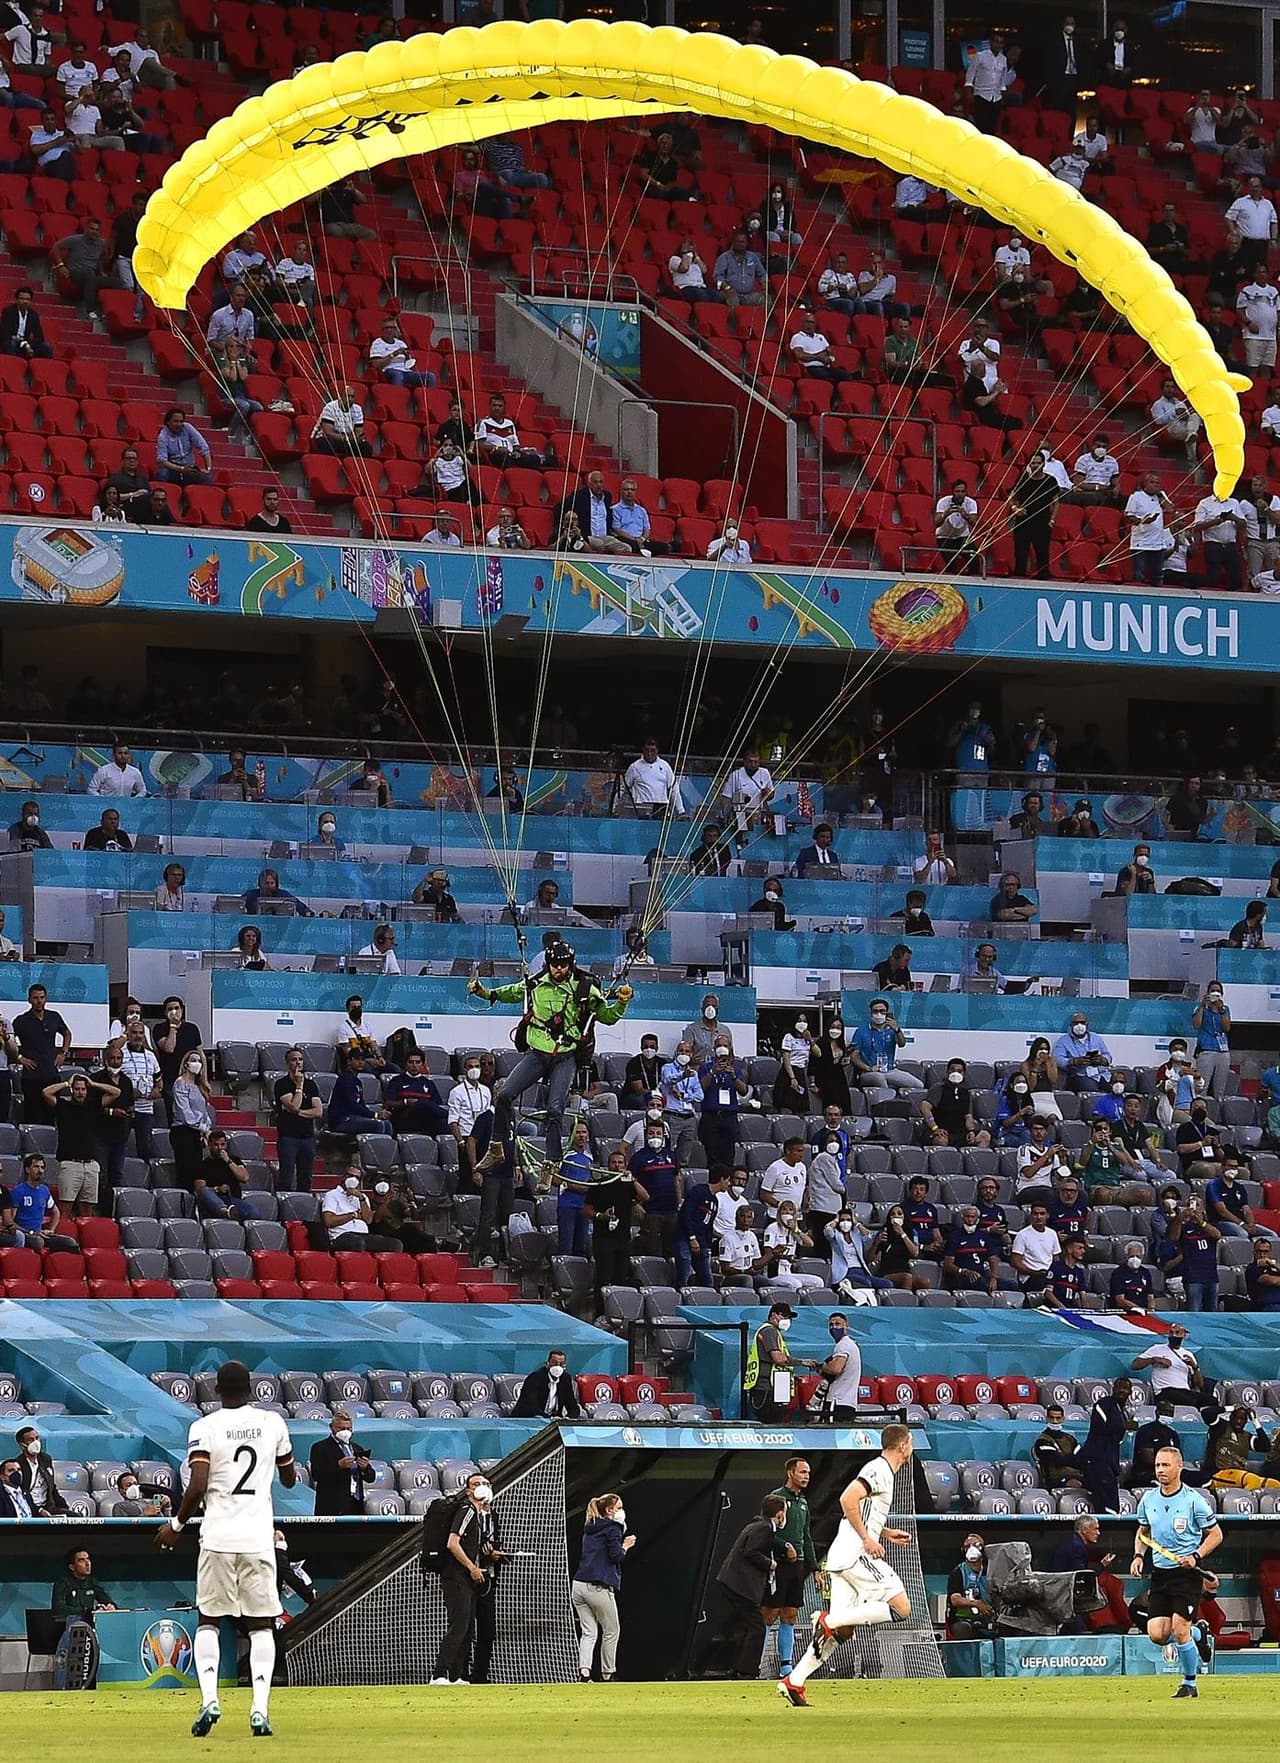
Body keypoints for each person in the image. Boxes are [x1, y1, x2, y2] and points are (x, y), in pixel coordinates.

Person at [157, 1360, 296, 1738]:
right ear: (251, 1389)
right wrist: (279, 1465)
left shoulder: (205, 1427)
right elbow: (289, 1477)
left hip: (217, 1538)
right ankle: (260, 1709)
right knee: (261, 1624)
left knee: (209, 1620)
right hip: (257, 1539)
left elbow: (198, 1483)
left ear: (216, 1391)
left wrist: (176, 1525)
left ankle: (209, 1699)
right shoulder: (272, 1424)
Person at [779, 1423, 914, 1705]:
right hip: (856, 1554)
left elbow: (861, 1509)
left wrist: (883, 1532)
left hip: (842, 1555)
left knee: (842, 1633)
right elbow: (847, 1499)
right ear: (903, 1446)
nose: (911, 1447)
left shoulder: (884, 1473)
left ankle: (795, 1680)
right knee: (901, 1607)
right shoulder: (878, 1469)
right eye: (910, 1442)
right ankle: (828, 1620)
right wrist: (868, 1540)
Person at [471, 945, 631, 1180]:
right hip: (537, 1053)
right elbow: (509, 992)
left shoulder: (586, 988)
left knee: (555, 1108)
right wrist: (484, 993)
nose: (558, 970)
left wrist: (621, 1003)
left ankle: (551, 1162)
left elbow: (606, 1016)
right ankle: (496, 1148)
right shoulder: (536, 984)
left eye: (563, 965)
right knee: (505, 1094)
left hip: (565, 1056)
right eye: (554, 965)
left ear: (571, 964)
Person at [1131, 1447, 1220, 1698]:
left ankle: (1189, 1683)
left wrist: (1196, 1556)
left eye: (1166, 1465)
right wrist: (1138, 1556)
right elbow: (1143, 1532)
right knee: (1158, 1634)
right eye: (1158, 1465)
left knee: (1179, 1630)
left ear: (1179, 1467)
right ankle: (1198, 1633)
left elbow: (1216, 1534)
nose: (1160, 1470)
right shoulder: (1148, 1499)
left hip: (1186, 1575)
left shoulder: (1193, 1500)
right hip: (1160, 1574)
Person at [699, 1494, 789, 1680]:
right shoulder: (764, 1528)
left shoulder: (756, 1525)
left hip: (733, 1582)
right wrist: (769, 1564)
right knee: (757, 1627)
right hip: (740, 1585)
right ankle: (748, 1671)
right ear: (779, 1515)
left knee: (745, 1626)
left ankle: (739, 1668)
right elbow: (751, 1551)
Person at [761, 1456, 818, 1680]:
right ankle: (757, 1662)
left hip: (799, 1566)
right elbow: (764, 1530)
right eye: (803, 1472)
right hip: (779, 1564)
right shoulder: (777, 1499)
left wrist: (814, 1568)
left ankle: (786, 1667)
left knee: (791, 1614)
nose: (806, 1477)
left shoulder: (803, 1502)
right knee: (769, 1613)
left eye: (808, 1473)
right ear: (790, 1473)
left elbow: (807, 1537)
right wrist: (784, 1547)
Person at [573, 1492, 634, 1682]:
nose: (622, 1511)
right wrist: (625, 1546)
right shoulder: (613, 1528)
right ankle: (608, 1674)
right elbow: (617, 1556)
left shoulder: (589, 1527)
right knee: (611, 1630)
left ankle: (584, 1674)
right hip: (598, 1587)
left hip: (578, 1586)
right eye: (619, 1508)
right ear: (609, 1511)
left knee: (589, 1632)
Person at [43, 1069, 118, 1217]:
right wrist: (66, 1083)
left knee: (87, 1210)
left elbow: (116, 1092)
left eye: (83, 1089)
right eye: (77, 1089)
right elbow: (46, 1092)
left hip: (91, 1164)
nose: (80, 1092)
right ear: (72, 1090)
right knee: (65, 1208)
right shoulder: (63, 1106)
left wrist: (93, 1083)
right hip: (70, 1163)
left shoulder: (93, 1106)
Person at [1076, 1377, 1135, 1513]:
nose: (1122, 1390)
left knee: (1111, 1503)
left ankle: (1108, 1531)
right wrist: (1123, 1426)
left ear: (1130, 1392)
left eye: (1125, 1388)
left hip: (1108, 1462)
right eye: (1119, 1387)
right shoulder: (1103, 1404)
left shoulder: (1123, 1412)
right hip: (1096, 1459)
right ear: (1112, 1389)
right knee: (1107, 1504)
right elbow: (1098, 1428)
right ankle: (1106, 1530)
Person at [848, 998, 922, 1092]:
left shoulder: (892, 1030)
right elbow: (854, 1056)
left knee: (918, 1085)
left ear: (887, 1013)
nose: (878, 1014)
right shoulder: (861, 1031)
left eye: (882, 1011)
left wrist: (897, 1030)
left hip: (889, 1070)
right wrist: (869, 1068)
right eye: (875, 1011)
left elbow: (902, 1044)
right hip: (869, 1072)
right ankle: (888, 1103)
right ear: (871, 1013)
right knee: (879, 1078)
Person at [308, 1411, 374, 1516]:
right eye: (341, 1428)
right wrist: (338, 1466)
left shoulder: (357, 1448)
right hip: (331, 1507)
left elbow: (371, 1478)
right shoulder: (320, 1448)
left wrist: (365, 1468)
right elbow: (316, 1475)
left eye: (348, 1428)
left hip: (355, 1506)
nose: (346, 1431)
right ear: (331, 1427)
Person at [744, 1301, 802, 1420]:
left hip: (775, 1386)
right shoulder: (769, 1331)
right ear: (774, 1315)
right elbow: (778, 1359)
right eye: (784, 1317)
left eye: (789, 1318)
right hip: (767, 1387)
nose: (787, 1321)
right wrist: (802, 1362)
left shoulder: (775, 1333)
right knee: (772, 1424)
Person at [817, 1310, 864, 1421]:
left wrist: (821, 1367)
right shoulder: (851, 1344)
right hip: (848, 1402)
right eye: (831, 1325)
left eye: (837, 1324)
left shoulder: (843, 1345)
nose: (834, 1328)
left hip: (837, 1402)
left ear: (846, 1326)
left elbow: (835, 1369)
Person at [946, 1534, 995, 1640]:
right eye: (967, 1546)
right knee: (964, 1629)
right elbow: (955, 1599)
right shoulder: (958, 1572)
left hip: (988, 1620)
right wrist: (976, 1603)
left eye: (976, 1545)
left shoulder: (991, 1571)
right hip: (963, 1620)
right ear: (963, 1550)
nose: (972, 1549)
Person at [14, 1422, 68, 1514]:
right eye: (30, 1440)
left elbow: (52, 1487)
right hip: (28, 1508)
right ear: (22, 1445)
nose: (36, 1442)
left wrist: (65, 1507)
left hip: (48, 1507)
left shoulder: (46, 1459)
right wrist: (38, 1510)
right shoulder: (18, 1465)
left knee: (74, 1517)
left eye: (37, 1438)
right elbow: (20, 1493)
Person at [52, 1545, 116, 1623]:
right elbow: (58, 1608)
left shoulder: (93, 1582)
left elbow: (107, 1601)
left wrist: (110, 1606)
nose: (87, 1563)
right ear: (72, 1567)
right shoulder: (63, 1583)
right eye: (81, 1560)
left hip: (90, 1625)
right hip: (68, 1626)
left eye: (88, 1559)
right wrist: (86, 1611)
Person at [511, 1350, 582, 1419]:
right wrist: (550, 1418)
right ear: (547, 1364)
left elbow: (573, 1406)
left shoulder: (565, 1379)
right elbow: (531, 1407)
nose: (558, 1367)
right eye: (554, 1363)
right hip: (526, 1419)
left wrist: (568, 1418)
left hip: (552, 1421)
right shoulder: (535, 1378)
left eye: (561, 1364)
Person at [1033, 1404, 1084, 1490]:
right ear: (1047, 1418)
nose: (1055, 1421)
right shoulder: (1042, 1441)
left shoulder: (1070, 1438)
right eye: (1052, 1418)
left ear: (1063, 1419)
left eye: (1058, 1418)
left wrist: (1069, 1459)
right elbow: (1058, 1461)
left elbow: (1081, 1459)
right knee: (1075, 1484)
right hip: (1055, 1478)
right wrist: (1072, 1459)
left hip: (1076, 1474)